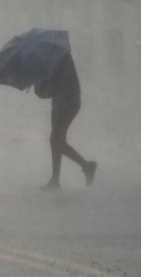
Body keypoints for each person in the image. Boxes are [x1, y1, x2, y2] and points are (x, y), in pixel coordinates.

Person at [35, 53, 96, 191]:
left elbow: (55, 86)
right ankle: (84, 167)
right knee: (57, 140)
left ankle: (84, 167)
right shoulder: (60, 58)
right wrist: (41, 86)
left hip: (64, 103)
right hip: (67, 102)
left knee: (56, 140)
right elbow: (55, 86)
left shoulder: (56, 60)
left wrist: (40, 85)